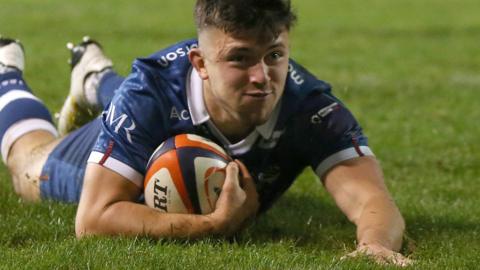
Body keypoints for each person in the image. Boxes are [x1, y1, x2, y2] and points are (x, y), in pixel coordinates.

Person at [0, 0, 411, 266]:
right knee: (30, 167)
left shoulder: (311, 107)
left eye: (274, 55)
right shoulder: (151, 93)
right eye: (240, 59)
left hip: (147, 111)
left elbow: (370, 198)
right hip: (119, 141)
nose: (262, 77)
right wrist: (215, 225)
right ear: (200, 62)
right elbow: (93, 220)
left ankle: (95, 78)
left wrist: (375, 244)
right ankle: (7, 72)